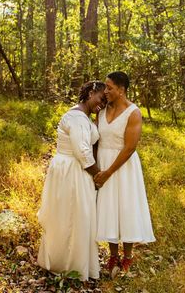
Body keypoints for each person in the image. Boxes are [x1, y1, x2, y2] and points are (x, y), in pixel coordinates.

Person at [37, 80, 106, 281]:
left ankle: (76, 262)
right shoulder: (76, 118)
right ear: (91, 92)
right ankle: (63, 264)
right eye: (101, 99)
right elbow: (82, 151)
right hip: (71, 170)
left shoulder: (86, 116)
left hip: (75, 169)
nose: (102, 104)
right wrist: (98, 174)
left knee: (78, 217)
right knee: (69, 216)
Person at [94, 71, 155, 274]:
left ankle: (127, 257)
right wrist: (96, 168)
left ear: (121, 90)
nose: (106, 91)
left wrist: (109, 171)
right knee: (109, 207)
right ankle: (113, 256)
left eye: (109, 87)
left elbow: (130, 147)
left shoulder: (133, 113)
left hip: (123, 166)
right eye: (105, 87)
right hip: (103, 162)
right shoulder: (101, 111)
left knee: (126, 207)